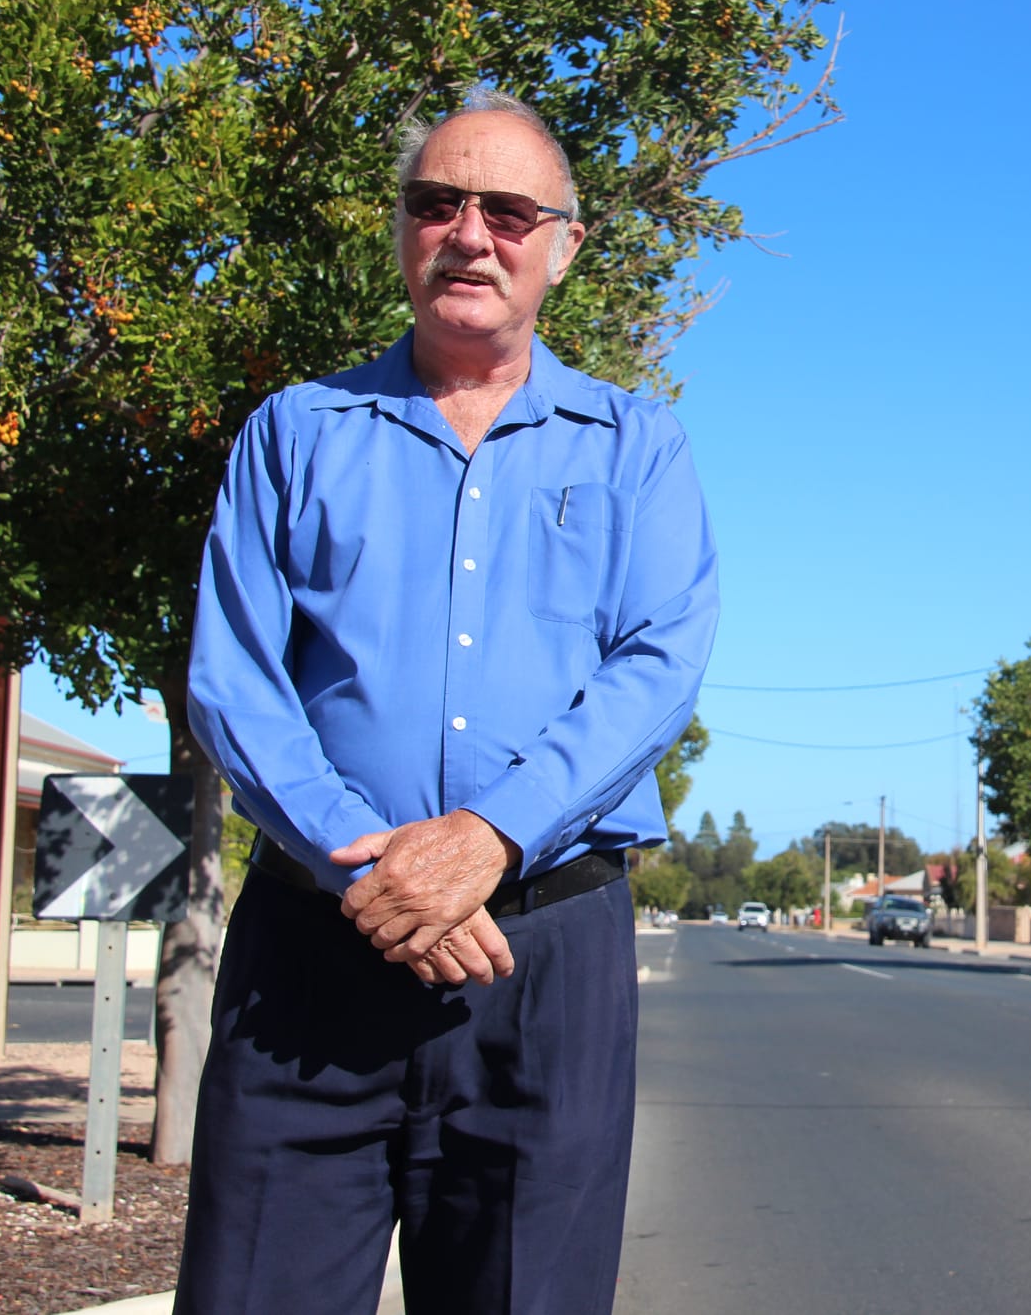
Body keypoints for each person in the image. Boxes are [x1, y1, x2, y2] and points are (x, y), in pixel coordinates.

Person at [175, 88, 718, 1314]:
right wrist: (371, 867)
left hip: (543, 964)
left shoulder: (638, 447)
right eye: (438, 203)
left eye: (509, 210)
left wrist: (486, 838)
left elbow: (656, 665)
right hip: (314, 953)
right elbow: (234, 675)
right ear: (403, 233)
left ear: (564, 247)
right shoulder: (295, 435)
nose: (471, 233)